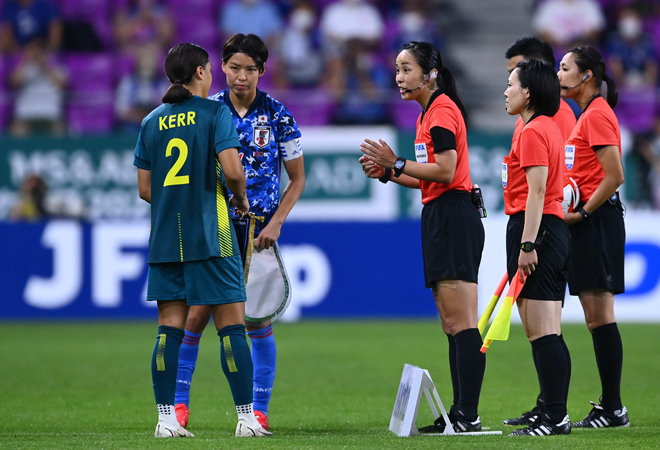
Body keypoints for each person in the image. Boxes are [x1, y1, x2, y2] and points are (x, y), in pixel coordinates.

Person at [133, 42, 271, 438]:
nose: (212, 74)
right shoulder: (215, 112)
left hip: (164, 238)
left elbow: (145, 189)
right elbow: (232, 170)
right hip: (213, 235)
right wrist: (241, 199)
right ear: (198, 73)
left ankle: (165, 420)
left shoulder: (150, 121)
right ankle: (246, 419)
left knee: (168, 328)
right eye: (210, 68)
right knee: (231, 326)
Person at [174, 34, 305, 432]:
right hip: (215, 228)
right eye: (233, 68)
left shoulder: (279, 115)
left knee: (257, 320)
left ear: (262, 71)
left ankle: (258, 412)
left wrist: (277, 221)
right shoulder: (207, 111)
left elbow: (297, 180)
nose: (241, 76)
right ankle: (177, 407)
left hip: (258, 232)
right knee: (196, 316)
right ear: (222, 68)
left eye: (250, 69)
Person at [359, 41, 486, 433]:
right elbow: (427, 179)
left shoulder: (442, 111)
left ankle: (468, 414)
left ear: (430, 73)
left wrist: (395, 161)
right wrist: (388, 173)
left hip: (454, 214)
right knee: (451, 322)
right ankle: (460, 412)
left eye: (406, 69)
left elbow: (446, 172)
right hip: (440, 213)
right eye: (397, 69)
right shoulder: (428, 114)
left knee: (462, 321)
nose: (399, 77)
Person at [502, 36, 576, 427]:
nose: (506, 90)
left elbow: (536, 192)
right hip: (548, 229)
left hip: (539, 231)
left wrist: (527, 243)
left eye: (511, 84)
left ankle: (554, 415)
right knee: (546, 330)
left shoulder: (533, 131)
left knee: (542, 331)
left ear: (527, 93)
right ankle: (550, 408)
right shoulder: (545, 126)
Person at [557, 46, 629, 428]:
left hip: (596, 221)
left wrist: (584, 211)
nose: (558, 74)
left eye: (565, 68)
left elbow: (615, 175)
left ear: (586, 76)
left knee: (600, 316)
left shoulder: (597, 115)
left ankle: (613, 408)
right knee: (594, 317)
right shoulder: (585, 117)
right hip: (588, 222)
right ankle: (611, 404)